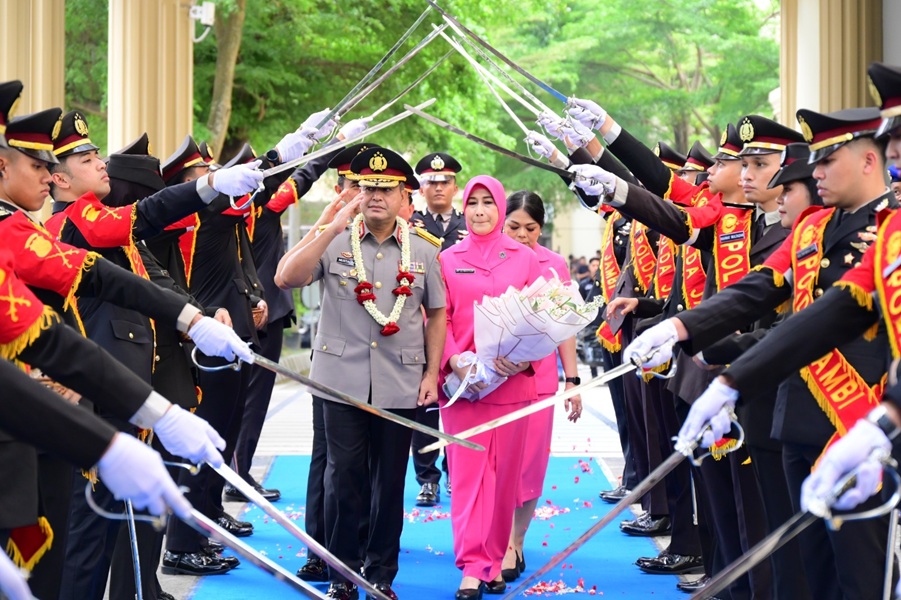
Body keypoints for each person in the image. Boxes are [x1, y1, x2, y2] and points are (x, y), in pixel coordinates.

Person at [628, 106, 894, 600]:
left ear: (866, 161)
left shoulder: (889, 230)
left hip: (860, 426)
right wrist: (680, 327)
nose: (813, 173)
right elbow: (757, 290)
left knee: (859, 575)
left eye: (825, 160)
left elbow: (813, 323)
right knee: (803, 571)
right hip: (795, 421)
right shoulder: (812, 231)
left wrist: (731, 378)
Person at [277, 147, 445, 600]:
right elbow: (286, 278)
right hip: (340, 381)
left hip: (399, 381)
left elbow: (437, 313)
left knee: (389, 481)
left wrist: (431, 374)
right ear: (356, 191)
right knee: (343, 477)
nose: (376, 196)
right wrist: (329, 224)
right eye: (368, 187)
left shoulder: (426, 250)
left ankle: (381, 574)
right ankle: (341, 574)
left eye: (386, 188)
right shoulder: (334, 239)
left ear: (404, 195)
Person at [438, 175, 543, 599]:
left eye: (488, 203)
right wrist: (454, 359)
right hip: (464, 389)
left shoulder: (524, 258)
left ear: (500, 208)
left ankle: (495, 561)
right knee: (467, 479)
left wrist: (523, 359)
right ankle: (470, 568)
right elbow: (438, 318)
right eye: (473, 203)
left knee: (503, 484)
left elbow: (541, 318)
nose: (480, 211)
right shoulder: (447, 258)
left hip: (512, 386)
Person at [498, 190, 582, 583]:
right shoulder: (486, 259)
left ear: (541, 229)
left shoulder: (553, 266)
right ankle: (493, 540)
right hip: (492, 381)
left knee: (529, 465)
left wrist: (573, 380)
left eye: (530, 228)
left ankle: (515, 540)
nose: (522, 235)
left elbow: (566, 329)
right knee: (496, 466)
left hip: (538, 382)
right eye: (513, 226)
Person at [409, 151, 466, 507]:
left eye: (445, 181)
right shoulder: (409, 226)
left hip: (461, 332)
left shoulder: (470, 224)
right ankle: (427, 478)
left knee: (461, 406)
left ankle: (456, 472)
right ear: (420, 187)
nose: (438, 187)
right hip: (420, 329)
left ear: (455, 186)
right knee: (424, 408)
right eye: (431, 181)